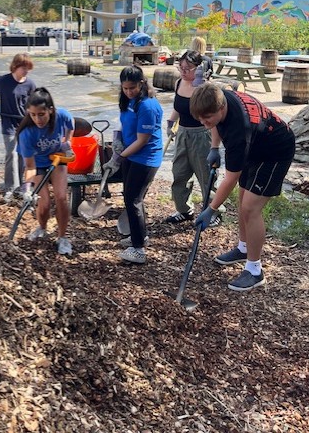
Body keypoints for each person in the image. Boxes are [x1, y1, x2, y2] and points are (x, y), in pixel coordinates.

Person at [190, 83, 295, 291]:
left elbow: (230, 179)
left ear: (221, 109)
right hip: (255, 147)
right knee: (242, 200)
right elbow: (215, 124)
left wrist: (211, 210)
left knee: (250, 208)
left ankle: (255, 270)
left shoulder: (239, 130)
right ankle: (244, 248)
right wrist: (214, 147)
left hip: (275, 152)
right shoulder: (220, 97)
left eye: (206, 118)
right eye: (199, 118)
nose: (203, 123)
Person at [103, 65, 163, 264]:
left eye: (132, 88)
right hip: (131, 156)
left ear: (142, 83)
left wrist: (116, 158)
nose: (128, 92)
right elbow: (124, 124)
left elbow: (142, 140)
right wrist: (117, 138)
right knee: (130, 197)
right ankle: (140, 236)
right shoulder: (129, 101)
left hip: (145, 159)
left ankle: (138, 250)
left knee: (133, 200)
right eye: (125, 88)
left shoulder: (147, 105)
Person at [16, 88, 74, 255]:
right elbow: (30, 166)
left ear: (50, 110)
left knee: (62, 198)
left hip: (57, 160)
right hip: (38, 165)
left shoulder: (62, 115)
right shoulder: (26, 134)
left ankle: (62, 237)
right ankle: (42, 227)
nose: (37, 119)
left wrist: (67, 142)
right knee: (44, 203)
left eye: (41, 114)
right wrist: (27, 189)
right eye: (33, 115)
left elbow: (71, 125)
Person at [165, 50, 219, 225]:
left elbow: (215, 118)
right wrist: (170, 122)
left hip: (202, 135)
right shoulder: (179, 82)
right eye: (181, 67)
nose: (183, 71)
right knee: (179, 173)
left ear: (199, 68)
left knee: (206, 176)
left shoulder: (204, 88)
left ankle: (213, 212)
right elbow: (178, 106)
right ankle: (183, 209)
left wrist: (215, 146)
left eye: (188, 68)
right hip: (182, 133)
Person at [0, 53, 36, 202]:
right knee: (11, 154)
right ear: (15, 66)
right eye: (24, 68)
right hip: (8, 124)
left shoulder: (30, 84)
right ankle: (9, 188)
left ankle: (19, 187)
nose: (26, 71)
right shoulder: (3, 81)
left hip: (25, 124)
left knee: (21, 156)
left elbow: (35, 102)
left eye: (28, 69)